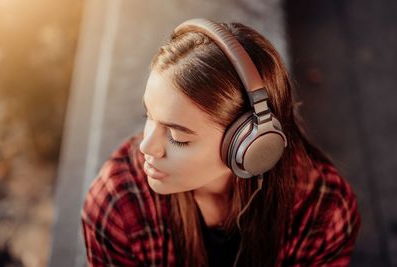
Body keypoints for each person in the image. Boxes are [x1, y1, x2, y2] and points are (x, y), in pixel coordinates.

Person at [81, 18, 360, 267]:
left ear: (252, 145)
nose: (146, 147)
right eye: (148, 116)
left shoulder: (324, 207)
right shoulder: (117, 205)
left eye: (178, 137)